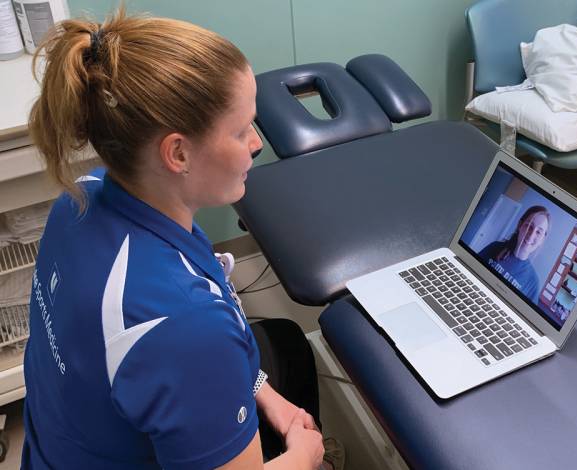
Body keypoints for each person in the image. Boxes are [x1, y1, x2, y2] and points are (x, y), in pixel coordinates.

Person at [22, 8, 341, 470]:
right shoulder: (187, 328)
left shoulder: (79, 200)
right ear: (177, 153)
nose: (256, 143)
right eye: (239, 130)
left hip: (61, 446)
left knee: (286, 345)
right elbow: (187, 343)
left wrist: (260, 391)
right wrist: (305, 456)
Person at [477, 206, 550, 302]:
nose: (531, 235)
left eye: (538, 232)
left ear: (542, 239)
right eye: (529, 226)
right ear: (520, 225)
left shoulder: (533, 283)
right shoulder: (495, 247)